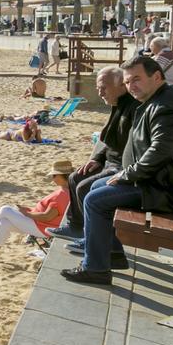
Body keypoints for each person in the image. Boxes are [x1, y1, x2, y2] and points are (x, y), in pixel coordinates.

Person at [63, 55, 173, 285]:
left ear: (156, 76)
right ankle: (113, 254)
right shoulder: (162, 96)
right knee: (96, 186)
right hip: (162, 180)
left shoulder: (165, 105)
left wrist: (127, 174)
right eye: (128, 82)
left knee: (94, 200)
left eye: (136, 79)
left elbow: (162, 150)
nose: (131, 87)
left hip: (167, 188)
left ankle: (95, 269)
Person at [49, 67, 137, 242]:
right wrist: (98, 158)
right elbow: (111, 142)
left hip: (122, 168)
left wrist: (112, 166)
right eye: (98, 88)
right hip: (110, 163)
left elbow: (127, 148)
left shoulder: (132, 108)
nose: (100, 92)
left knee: (84, 187)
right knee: (75, 178)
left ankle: (91, 236)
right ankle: (76, 227)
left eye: (104, 87)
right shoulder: (118, 104)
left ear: (121, 86)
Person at [0, 160, 73, 261]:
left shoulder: (63, 195)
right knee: (5, 222)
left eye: (54, 175)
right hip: (41, 223)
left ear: (63, 176)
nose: (52, 178)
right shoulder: (68, 190)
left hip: (42, 227)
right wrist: (29, 211)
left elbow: (47, 217)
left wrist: (27, 213)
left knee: (5, 209)